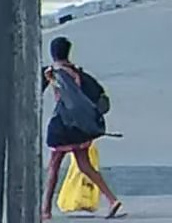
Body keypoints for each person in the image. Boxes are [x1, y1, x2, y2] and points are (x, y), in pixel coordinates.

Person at [41, 37, 123, 220]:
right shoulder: (78, 72)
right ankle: (112, 200)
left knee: (53, 167)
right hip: (80, 128)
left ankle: (45, 210)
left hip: (63, 126)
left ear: (53, 53)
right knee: (85, 165)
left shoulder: (53, 73)